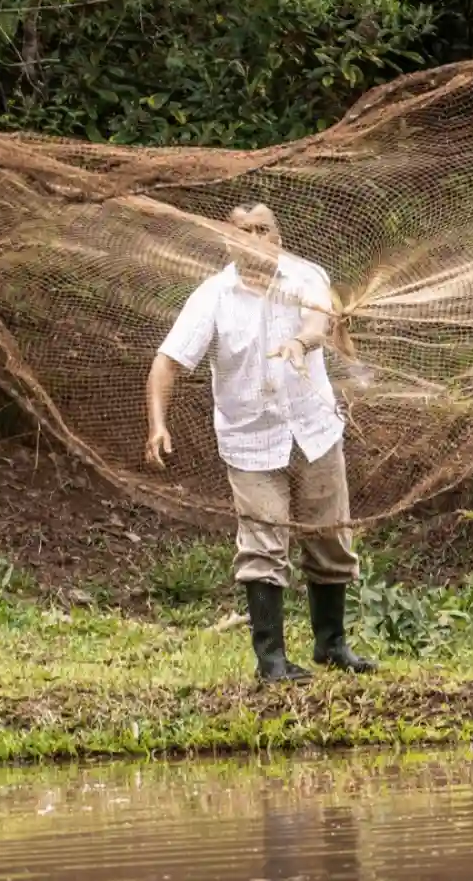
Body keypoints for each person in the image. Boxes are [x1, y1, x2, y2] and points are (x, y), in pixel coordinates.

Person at [144, 203, 377, 682]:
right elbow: (166, 363)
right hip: (251, 439)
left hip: (313, 430)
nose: (254, 238)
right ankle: (271, 660)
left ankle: (331, 644)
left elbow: (320, 320)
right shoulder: (212, 297)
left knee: (330, 537)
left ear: (277, 237)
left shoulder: (305, 276)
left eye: (263, 229)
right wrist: (158, 425)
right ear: (228, 242)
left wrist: (301, 344)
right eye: (243, 231)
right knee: (262, 543)